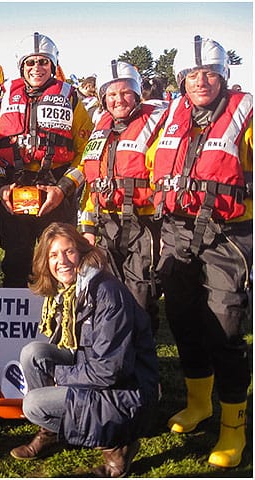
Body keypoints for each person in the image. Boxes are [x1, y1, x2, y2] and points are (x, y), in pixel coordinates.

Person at [151, 35, 252, 468]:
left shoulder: (246, 112)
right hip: (177, 230)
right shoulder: (171, 112)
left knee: (225, 329)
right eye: (192, 74)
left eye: (209, 72)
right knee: (183, 320)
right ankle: (199, 404)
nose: (201, 80)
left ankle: (234, 426)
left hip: (227, 235)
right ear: (181, 79)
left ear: (223, 75)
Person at [10, 222, 159, 478]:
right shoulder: (69, 291)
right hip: (96, 369)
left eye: (69, 251)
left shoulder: (106, 293)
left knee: (33, 404)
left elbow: (111, 370)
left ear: (82, 252)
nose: (62, 261)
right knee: (33, 354)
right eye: (54, 255)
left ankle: (117, 447)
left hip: (129, 392)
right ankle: (54, 432)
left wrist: (62, 379)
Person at [0, 32, 93, 287]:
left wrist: (63, 189)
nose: (37, 68)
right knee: (15, 261)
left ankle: (61, 321)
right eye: (30, 62)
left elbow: (86, 151)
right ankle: (14, 324)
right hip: (15, 190)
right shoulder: (4, 101)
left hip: (56, 189)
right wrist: (0, 188)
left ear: (53, 65)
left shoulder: (71, 99)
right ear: (22, 66)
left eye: (43, 62)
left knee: (60, 262)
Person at [79, 61, 167, 334]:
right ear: (103, 97)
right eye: (112, 94)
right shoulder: (101, 125)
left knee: (141, 294)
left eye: (126, 92)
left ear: (138, 92)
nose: (119, 100)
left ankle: (144, 367)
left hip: (144, 225)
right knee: (108, 294)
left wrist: (166, 231)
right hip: (107, 223)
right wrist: (88, 227)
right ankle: (116, 358)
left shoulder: (158, 123)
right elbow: (93, 183)